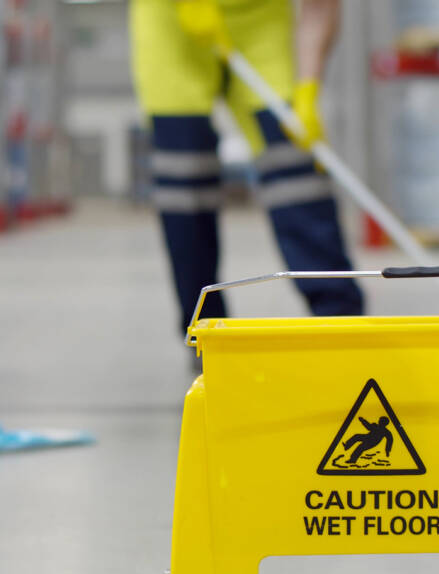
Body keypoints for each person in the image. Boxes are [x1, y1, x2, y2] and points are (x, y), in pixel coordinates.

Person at [130, 0, 364, 338]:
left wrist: (308, 88)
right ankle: (205, 331)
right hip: (171, 21)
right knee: (184, 178)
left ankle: (340, 320)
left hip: (260, 20)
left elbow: (319, 8)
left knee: (293, 162)